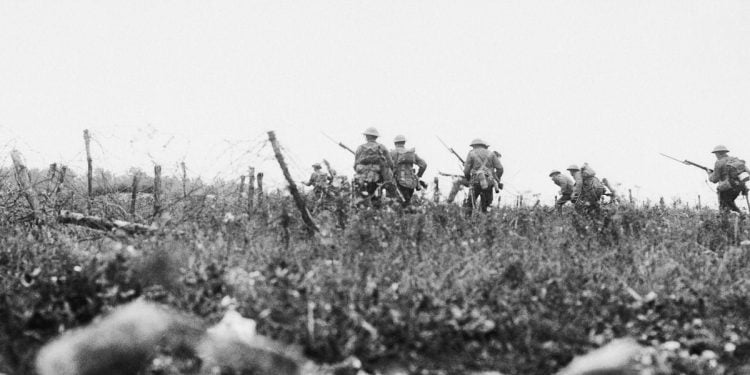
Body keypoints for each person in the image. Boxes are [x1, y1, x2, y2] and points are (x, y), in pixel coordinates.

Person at [353, 127, 394, 205]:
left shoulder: (360, 148)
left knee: (360, 198)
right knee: (376, 198)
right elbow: (390, 164)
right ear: (376, 137)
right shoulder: (382, 147)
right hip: (377, 178)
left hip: (361, 178)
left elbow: (355, 165)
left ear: (366, 136)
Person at [462, 138, 503, 213]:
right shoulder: (491, 154)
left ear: (474, 146)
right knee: (487, 206)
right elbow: (500, 169)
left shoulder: (471, 153)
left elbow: (466, 171)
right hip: (488, 183)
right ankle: (486, 222)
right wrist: (496, 180)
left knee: (470, 205)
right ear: (484, 146)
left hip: (475, 181)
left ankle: (468, 222)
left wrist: (469, 179)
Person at [708, 145, 750, 213]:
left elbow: (714, 179)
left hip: (727, 186)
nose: (716, 155)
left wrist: (709, 174)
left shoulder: (719, 162)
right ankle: (740, 217)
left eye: (716, 154)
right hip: (740, 186)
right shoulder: (736, 160)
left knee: (724, 207)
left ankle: (741, 217)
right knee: (729, 204)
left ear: (718, 153)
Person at [390, 135, 427, 206]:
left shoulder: (392, 153)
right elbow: (424, 165)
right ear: (404, 143)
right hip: (411, 183)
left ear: (395, 143)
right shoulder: (411, 153)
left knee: (398, 205)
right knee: (407, 202)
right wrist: (418, 176)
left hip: (398, 183)